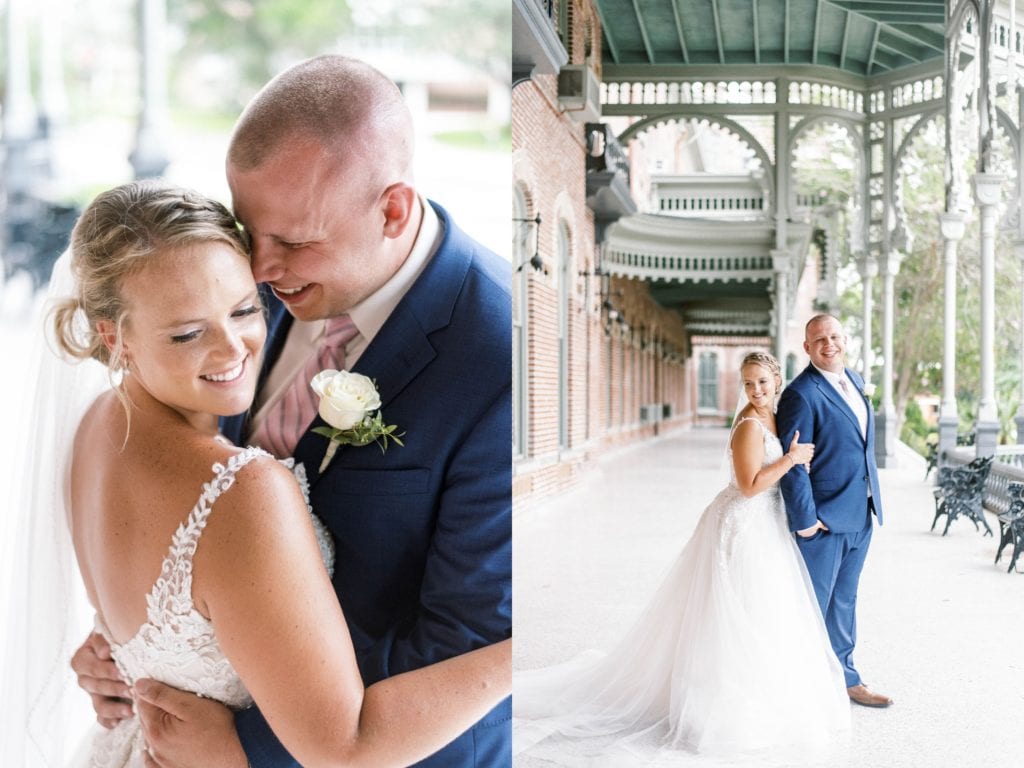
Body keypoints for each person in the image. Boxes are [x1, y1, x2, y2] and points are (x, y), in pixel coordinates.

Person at [69, 55, 513, 767]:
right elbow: (188, 524)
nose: (262, 272)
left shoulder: (497, 358)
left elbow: (466, 644)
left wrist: (247, 746)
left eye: (294, 242)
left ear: (392, 209)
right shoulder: (227, 295)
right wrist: (133, 646)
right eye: (250, 232)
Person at [513, 352, 850, 765]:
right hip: (743, 523)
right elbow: (748, 486)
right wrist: (790, 460)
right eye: (748, 383)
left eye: (762, 381)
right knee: (736, 612)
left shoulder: (776, 415)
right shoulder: (748, 425)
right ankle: (720, 704)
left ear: (776, 379)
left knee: (764, 612)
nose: (756, 390)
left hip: (766, 524)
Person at [776, 314, 892, 709]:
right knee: (811, 604)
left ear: (845, 339)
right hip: (823, 522)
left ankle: (846, 678)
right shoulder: (800, 394)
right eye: (819, 339)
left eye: (835, 336)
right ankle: (795, 683)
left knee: (845, 600)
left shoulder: (856, 381)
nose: (829, 344)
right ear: (807, 347)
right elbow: (794, 462)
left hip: (861, 513)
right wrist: (806, 522)